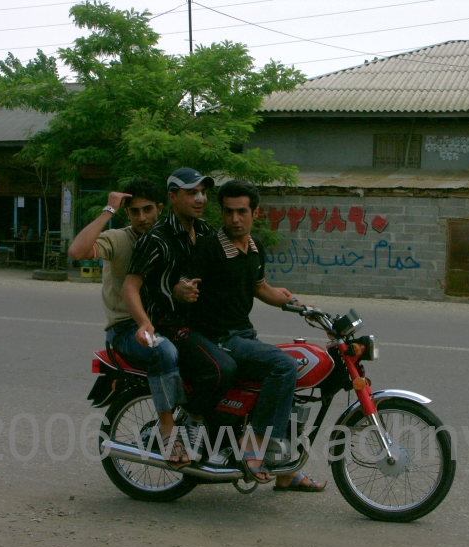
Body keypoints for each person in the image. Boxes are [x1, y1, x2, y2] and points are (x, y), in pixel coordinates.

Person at [186, 179, 326, 492]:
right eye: (228, 212)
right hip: (218, 337)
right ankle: (252, 444)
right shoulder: (208, 249)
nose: (235, 219)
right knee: (284, 365)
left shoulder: (255, 247)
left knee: (294, 379)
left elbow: (259, 287)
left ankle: (285, 470)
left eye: (242, 212)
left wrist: (297, 304)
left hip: (244, 335)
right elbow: (185, 284)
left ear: (255, 213)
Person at [67, 178, 188, 467]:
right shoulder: (119, 239)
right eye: (135, 211)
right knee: (163, 350)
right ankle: (167, 429)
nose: (142, 217)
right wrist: (108, 210)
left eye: (148, 210)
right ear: (127, 213)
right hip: (126, 329)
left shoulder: (170, 237)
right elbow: (77, 252)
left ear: (160, 208)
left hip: (163, 322)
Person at [122, 168, 236, 460]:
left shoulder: (207, 231)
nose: (200, 199)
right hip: (169, 324)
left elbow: (229, 267)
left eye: (203, 193)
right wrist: (145, 322)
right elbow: (130, 286)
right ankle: (190, 422)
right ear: (172, 198)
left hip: (202, 324)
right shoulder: (156, 237)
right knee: (221, 368)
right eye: (191, 193)